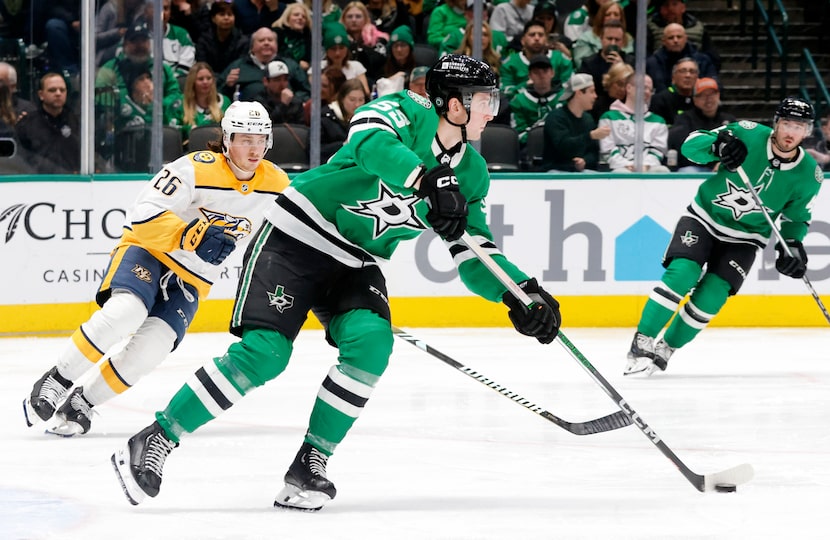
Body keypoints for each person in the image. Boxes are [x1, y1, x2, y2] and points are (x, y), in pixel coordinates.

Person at [110, 54, 561, 510]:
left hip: (355, 261)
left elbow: (474, 251)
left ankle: (310, 463)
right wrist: (424, 179)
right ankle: (157, 437)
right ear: (453, 104)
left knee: (371, 343)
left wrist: (519, 292)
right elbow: (369, 140)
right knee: (266, 354)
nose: (492, 112)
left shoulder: (473, 174)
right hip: (295, 237)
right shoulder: (403, 110)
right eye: (484, 101)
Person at [23, 101, 290, 436]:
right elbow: (143, 213)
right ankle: (58, 379)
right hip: (149, 251)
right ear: (226, 139)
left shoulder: (277, 184)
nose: (254, 148)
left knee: (152, 348)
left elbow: (295, 228)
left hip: (193, 278)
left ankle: (83, 403)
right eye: (244, 139)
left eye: (260, 139)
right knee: (126, 313)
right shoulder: (195, 168)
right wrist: (189, 236)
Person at [625, 97, 822, 377]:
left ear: (807, 131)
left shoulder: (809, 175)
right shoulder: (747, 132)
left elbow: (796, 217)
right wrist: (716, 146)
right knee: (682, 273)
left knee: (713, 296)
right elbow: (690, 146)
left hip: (745, 239)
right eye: (787, 124)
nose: (791, 132)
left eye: (799, 127)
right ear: (776, 123)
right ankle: (642, 340)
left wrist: (791, 245)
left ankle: (666, 348)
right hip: (704, 218)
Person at [598, 73, 669, 173]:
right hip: (618, 169)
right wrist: (626, 165)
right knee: (622, 174)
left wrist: (645, 165)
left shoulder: (658, 121)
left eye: (651, 90)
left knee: (662, 171)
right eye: (644, 87)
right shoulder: (609, 117)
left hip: (648, 168)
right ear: (629, 88)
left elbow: (658, 151)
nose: (647, 92)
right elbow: (607, 150)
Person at [218, 27, 310, 103]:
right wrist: (228, 86)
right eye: (261, 40)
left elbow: (307, 92)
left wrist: (293, 99)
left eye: (270, 40)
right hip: (247, 117)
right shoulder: (237, 66)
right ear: (252, 47)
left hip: (284, 117)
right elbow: (218, 94)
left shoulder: (290, 65)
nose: (266, 43)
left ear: (277, 45)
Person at [542, 73, 610, 172]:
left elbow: (594, 152)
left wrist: (585, 161)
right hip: (557, 171)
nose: (595, 96)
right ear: (578, 93)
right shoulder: (555, 118)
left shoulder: (588, 119)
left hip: (582, 171)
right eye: (591, 92)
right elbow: (564, 147)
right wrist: (590, 136)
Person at [14, 72, 80, 174]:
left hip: (71, 182)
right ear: (41, 95)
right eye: (52, 90)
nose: (58, 93)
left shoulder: (76, 122)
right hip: (38, 182)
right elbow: (19, 159)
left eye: (62, 90)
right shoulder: (27, 124)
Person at [668, 77, 736, 172]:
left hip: (722, 167)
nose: (708, 99)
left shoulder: (729, 119)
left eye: (712, 94)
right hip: (693, 167)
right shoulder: (684, 119)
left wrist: (723, 162)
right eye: (703, 95)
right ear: (695, 99)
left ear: (718, 95)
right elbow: (686, 149)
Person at [501, 20, 573, 99]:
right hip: (522, 109)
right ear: (523, 40)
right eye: (532, 35)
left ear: (546, 40)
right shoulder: (510, 63)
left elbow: (570, 87)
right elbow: (504, 93)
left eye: (541, 35)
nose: (537, 38)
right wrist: (526, 85)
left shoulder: (561, 59)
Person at [646, 0, 719, 70]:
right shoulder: (650, 27)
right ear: (661, 9)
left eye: (674, 4)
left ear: (683, 7)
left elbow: (712, 57)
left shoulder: (698, 28)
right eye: (666, 5)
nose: (670, 8)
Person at [646, 23, 716, 94]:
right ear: (663, 41)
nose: (675, 40)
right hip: (664, 102)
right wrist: (673, 94)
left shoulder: (702, 60)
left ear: (686, 38)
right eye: (671, 38)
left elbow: (714, 84)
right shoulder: (653, 64)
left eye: (679, 37)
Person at [509, 55, 563, 145]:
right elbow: (519, 134)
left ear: (552, 73)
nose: (541, 76)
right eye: (536, 72)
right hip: (530, 148)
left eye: (545, 71)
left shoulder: (563, 98)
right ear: (530, 75)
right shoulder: (518, 101)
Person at [571, 0, 634, 69]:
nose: (612, 17)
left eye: (616, 14)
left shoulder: (628, 39)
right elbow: (580, 63)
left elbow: (631, 62)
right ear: (601, 17)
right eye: (608, 14)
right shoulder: (586, 38)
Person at [195, 0, 250, 76]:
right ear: (213, 18)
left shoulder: (243, 42)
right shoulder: (204, 41)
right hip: (209, 79)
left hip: (234, 80)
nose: (226, 18)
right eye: (222, 14)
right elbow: (202, 66)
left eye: (230, 14)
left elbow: (240, 67)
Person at [319, 78, 368, 162]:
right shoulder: (324, 118)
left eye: (361, 100)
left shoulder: (367, 119)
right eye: (352, 99)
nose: (357, 104)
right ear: (341, 99)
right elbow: (315, 151)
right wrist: (343, 145)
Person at [181, 62, 232, 139]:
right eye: (200, 79)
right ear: (192, 82)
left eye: (209, 78)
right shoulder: (181, 103)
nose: (205, 82)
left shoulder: (225, 101)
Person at [317, 23, 370, 96]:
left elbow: (365, 93)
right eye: (333, 49)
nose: (337, 53)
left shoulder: (356, 66)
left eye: (341, 48)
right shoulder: (318, 67)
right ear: (327, 51)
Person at [648, 57, 698, 126]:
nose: (688, 75)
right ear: (673, 77)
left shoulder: (700, 101)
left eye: (692, 72)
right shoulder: (659, 101)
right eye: (683, 71)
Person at [272, 2, 312, 72]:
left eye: (304, 17)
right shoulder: (277, 33)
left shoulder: (307, 37)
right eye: (296, 15)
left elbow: (307, 62)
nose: (300, 18)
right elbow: (273, 55)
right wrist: (297, 62)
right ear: (287, 17)